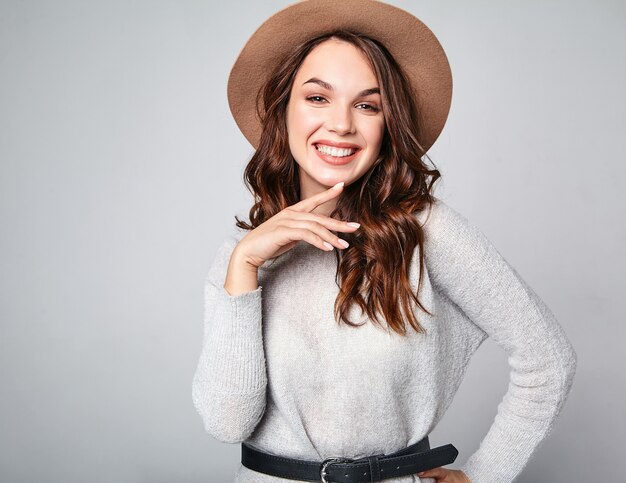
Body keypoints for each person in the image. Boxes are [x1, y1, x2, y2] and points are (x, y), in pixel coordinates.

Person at [191, 1, 577, 482]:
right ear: (282, 109)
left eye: (367, 105)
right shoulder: (242, 255)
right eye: (317, 98)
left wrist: (484, 475)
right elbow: (227, 423)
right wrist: (244, 266)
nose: (342, 124)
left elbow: (547, 360)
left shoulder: (424, 230)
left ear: (386, 124)